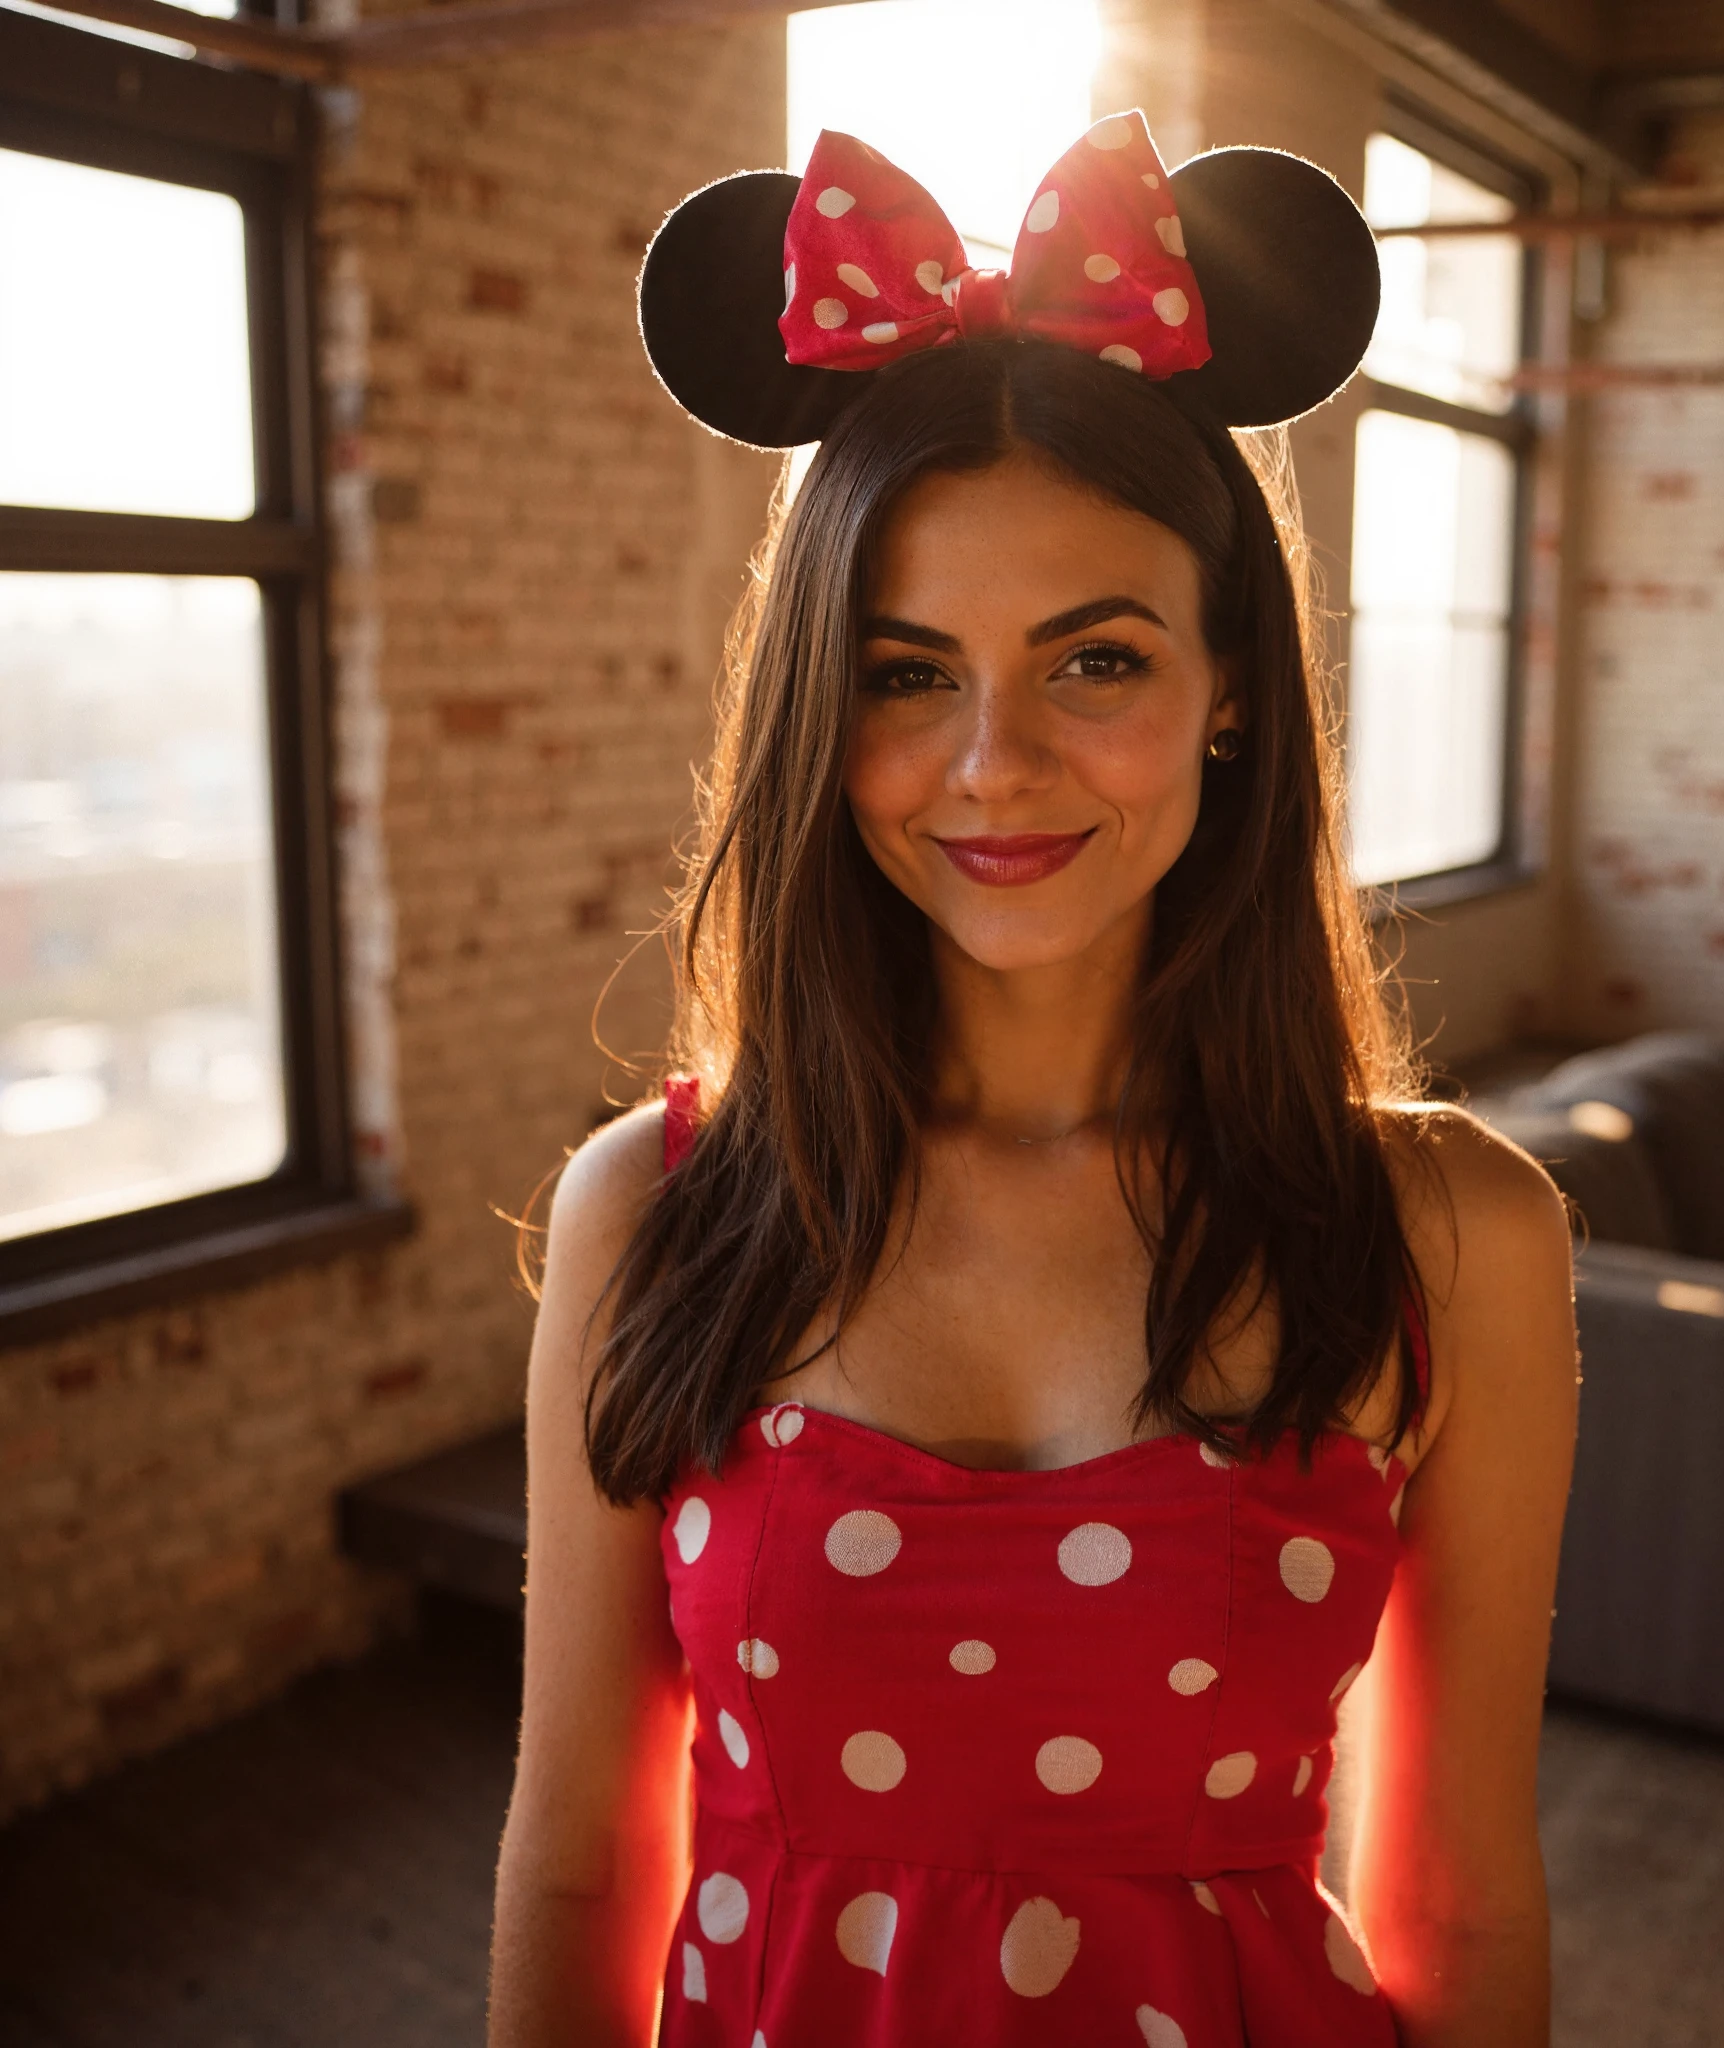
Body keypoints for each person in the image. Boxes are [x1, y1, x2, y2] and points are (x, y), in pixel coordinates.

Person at [489, 112, 1576, 2048]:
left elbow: (1459, 1898)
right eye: (909, 675)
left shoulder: (1452, 1231)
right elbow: (579, 1865)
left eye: (1094, 663)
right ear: (818, 710)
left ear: (1231, 683)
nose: (993, 763)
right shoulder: (654, 1209)